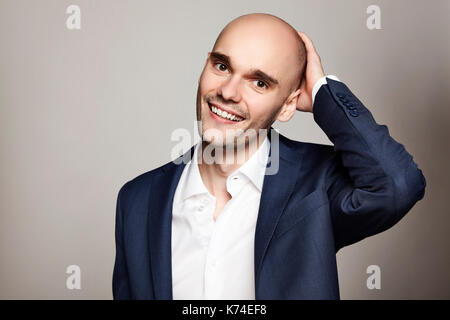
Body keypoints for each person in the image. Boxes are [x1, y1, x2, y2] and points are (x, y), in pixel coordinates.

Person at [112, 13, 426, 299]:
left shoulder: (315, 187)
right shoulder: (136, 200)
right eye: (222, 66)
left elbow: (397, 186)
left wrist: (322, 93)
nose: (229, 92)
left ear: (288, 105)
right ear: (205, 66)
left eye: (259, 82)